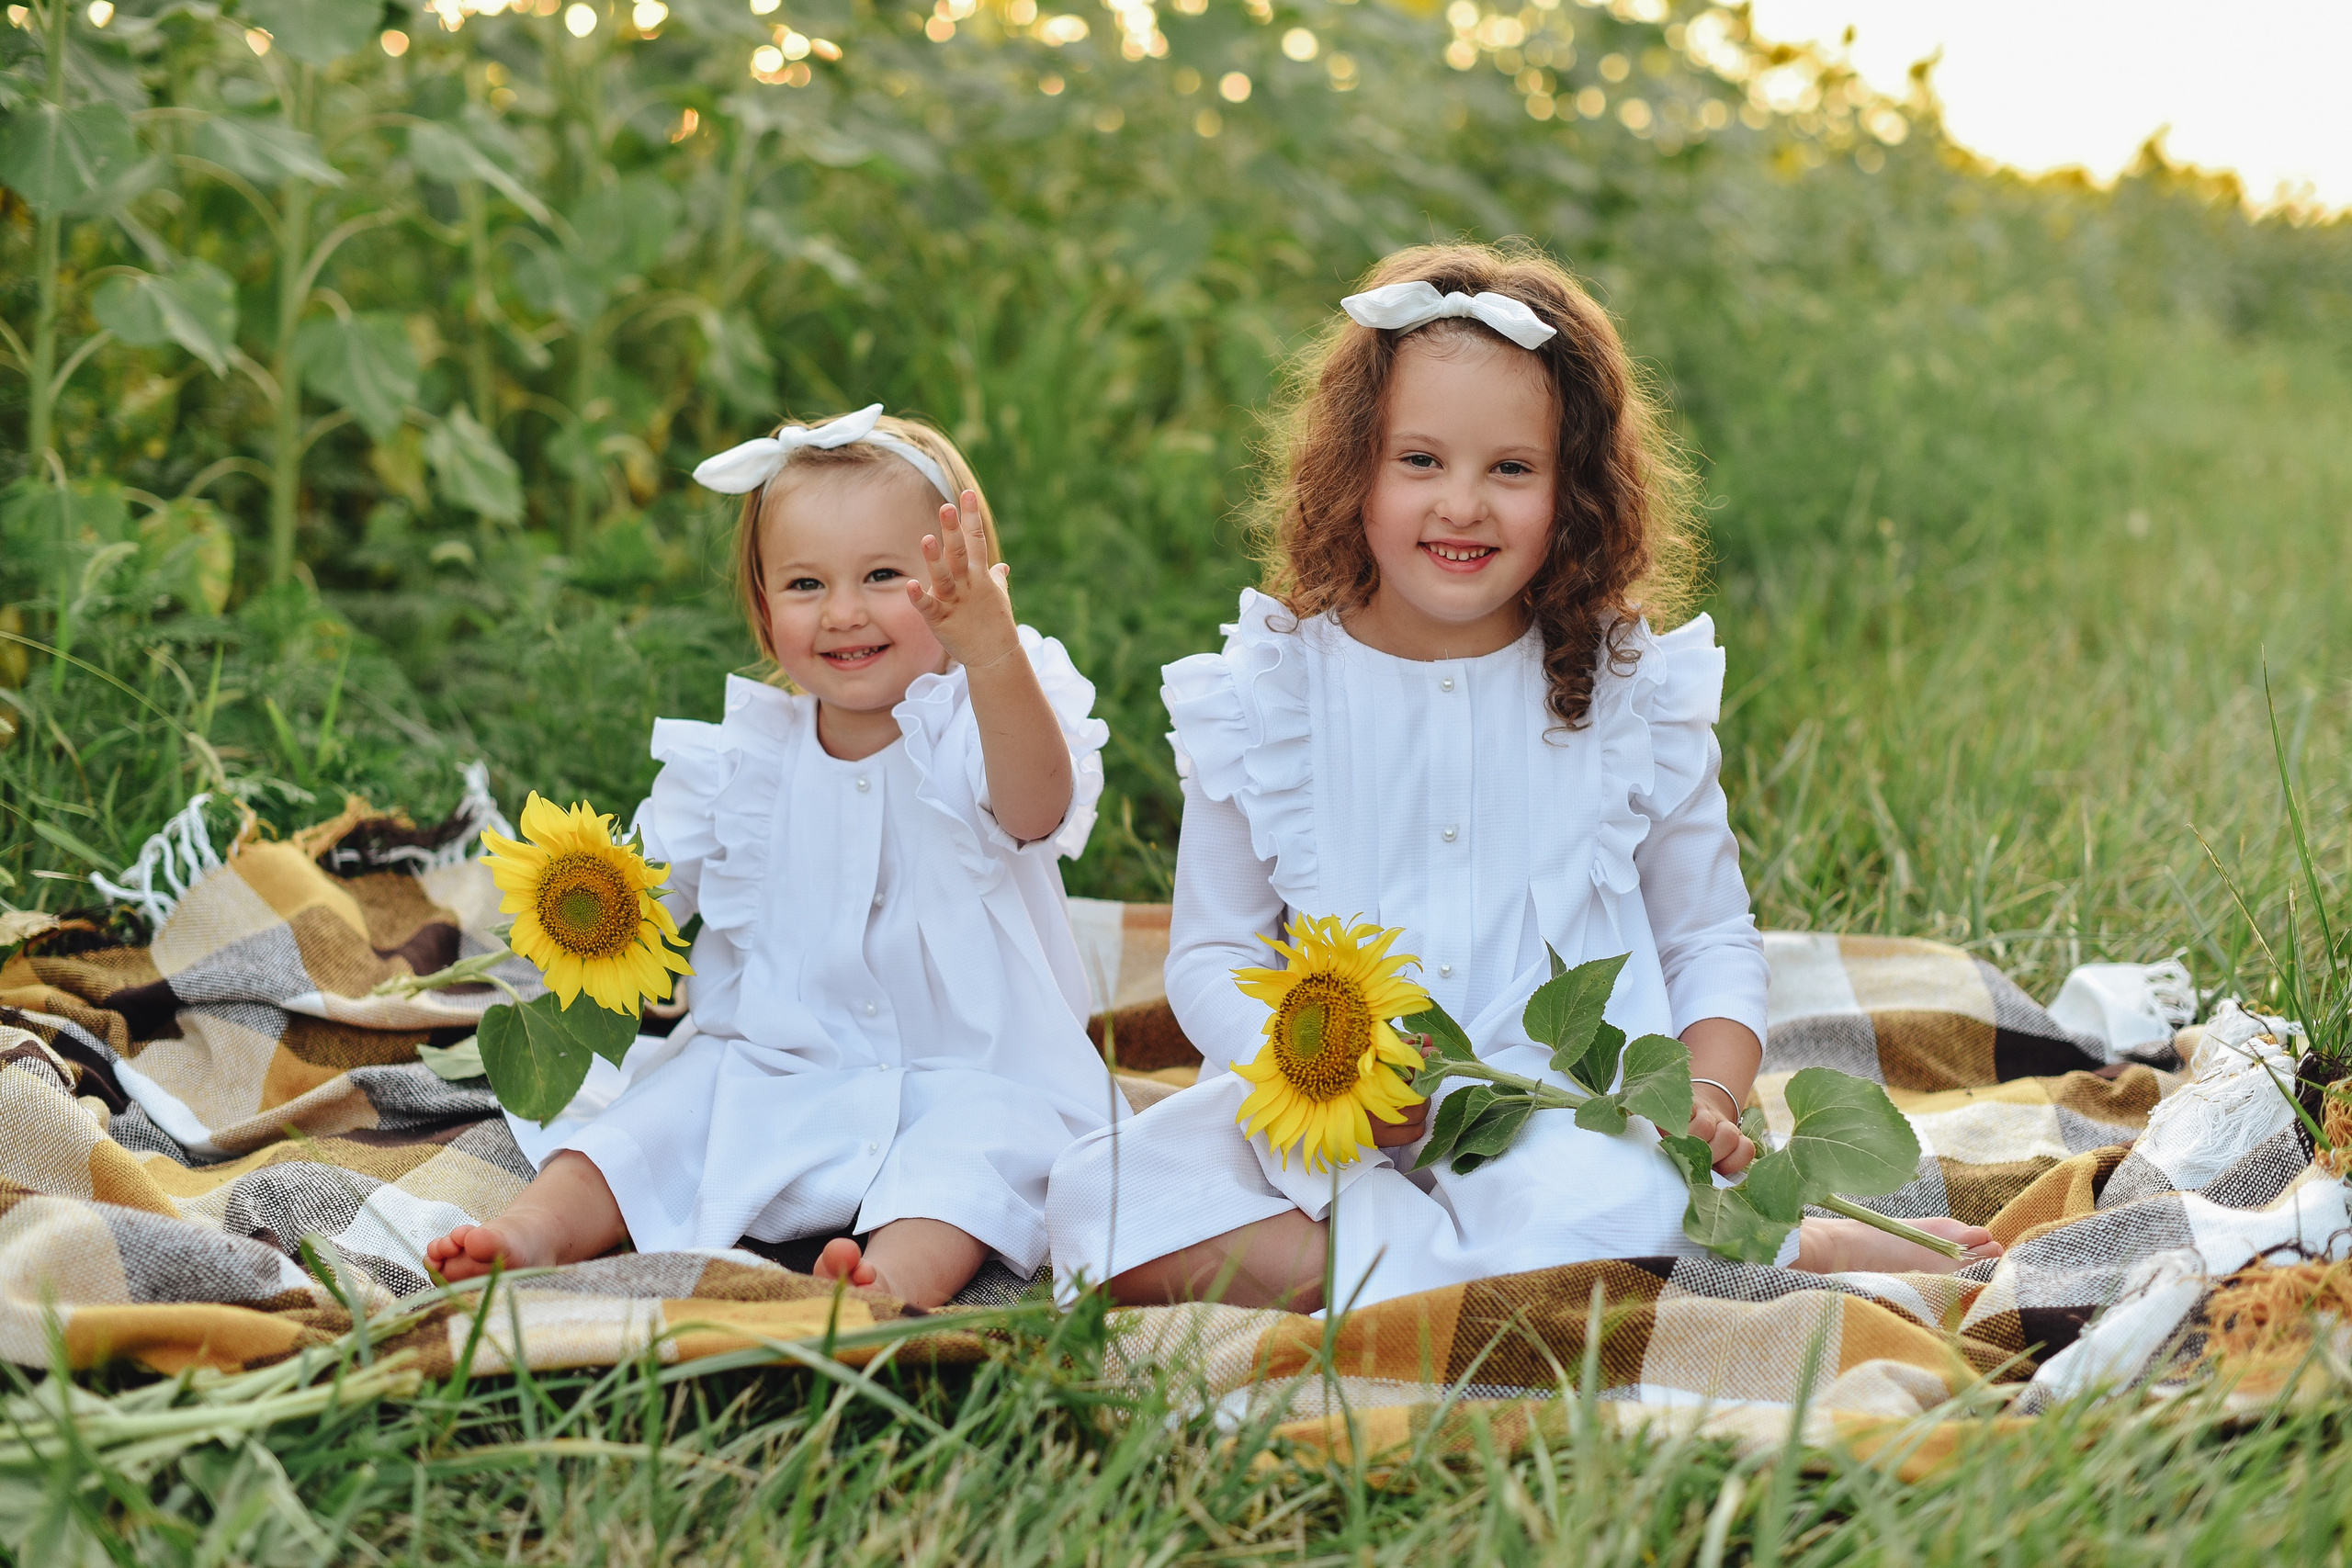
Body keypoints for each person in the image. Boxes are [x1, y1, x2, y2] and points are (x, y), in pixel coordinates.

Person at [1046, 243, 2002, 1313]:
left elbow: (1707, 939)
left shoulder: (1629, 689)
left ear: (1574, 492)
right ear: (1353, 470)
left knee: (1600, 1210)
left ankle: (1694, 1252)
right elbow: (1214, 949)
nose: (1462, 504)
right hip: (1333, 1115)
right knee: (1104, 1197)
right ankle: (1449, 1270)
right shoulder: (1270, 690)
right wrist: (1320, 1077)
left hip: (1564, 1112)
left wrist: (1704, 1093)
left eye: (1511, 469)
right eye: (1419, 462)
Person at [427, 404, 1123, 1308]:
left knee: (980, 1159)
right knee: (660, 1114)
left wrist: (992, 658)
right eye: (803, 586)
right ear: (762, 605)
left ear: (959, 585)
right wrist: (581, 916)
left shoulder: (981, 723)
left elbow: (1038, 809)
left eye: (883, 575)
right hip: (780, 1066)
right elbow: (644, 890)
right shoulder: (741, 763)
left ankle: (883, 1283)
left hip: (974, 1074)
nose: (842, 613)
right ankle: (533, 1231)